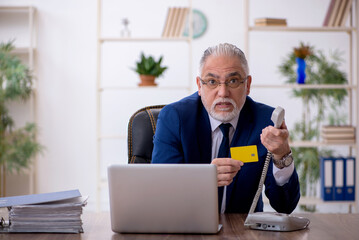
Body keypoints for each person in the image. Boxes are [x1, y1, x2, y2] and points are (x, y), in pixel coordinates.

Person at [151, 43, 300, 214]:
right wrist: (202, 179)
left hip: (243, 231)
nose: (223, 92)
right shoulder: (174, 118)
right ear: (200, 86)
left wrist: (282, 155)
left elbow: (285, 206)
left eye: (233, 81)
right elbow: (161, 190)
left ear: (248, 85)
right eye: (212, 82)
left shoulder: (265, 121)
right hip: (186, 227)